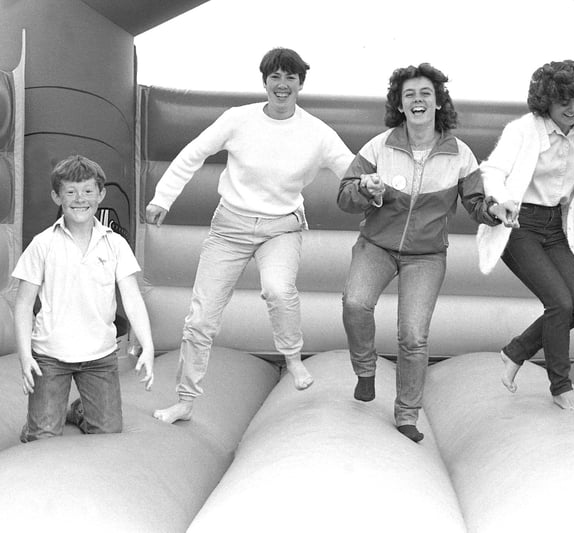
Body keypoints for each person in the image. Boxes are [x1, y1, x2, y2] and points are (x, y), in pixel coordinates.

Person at [147, 48, 353, 423]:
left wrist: (373, 187)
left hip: (282, 227)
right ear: (264, 82)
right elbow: (192, 154)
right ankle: (184, 401)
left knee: (277, 289)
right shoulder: (237, 120)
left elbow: (351, 170)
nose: (282, 85)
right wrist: (163, 198)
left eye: (290, 77)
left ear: (301, 84)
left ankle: (293, 360)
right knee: (201, 316)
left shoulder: (317, 133)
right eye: (275, 77)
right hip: (231, 225)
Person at [338, 63, 496, 442]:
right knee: (355, 303)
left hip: (425, 256)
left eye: (426, 93)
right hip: (377, 245)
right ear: (400, 104)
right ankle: (365, 369)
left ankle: (407, 413)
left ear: (439, 101)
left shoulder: (460, 154)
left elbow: (476, 204)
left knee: (413, 335)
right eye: (409, 94)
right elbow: (344, 196)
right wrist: (364, 188)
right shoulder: (379, 146)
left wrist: (494, 211)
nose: (418, 100)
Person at [477, 60, 574, 411]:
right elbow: (491, 170)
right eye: (565, 101)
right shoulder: (524, 130)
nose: (573, 109)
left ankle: (515, 351)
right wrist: (501, 202)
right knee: (559, 303)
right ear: (546, 101)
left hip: (554, 227)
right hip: (520, 226)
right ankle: (560, 387)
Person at [13, 155, 155, 442]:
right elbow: (24, 303)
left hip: (99, 356)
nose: (80, 199)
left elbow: (132, 297)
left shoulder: (115, 244)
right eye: (71, 192)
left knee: (107, 431)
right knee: (42, 438)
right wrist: (25, 355)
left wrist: (149, 347)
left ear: (100, 194)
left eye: (88, 191)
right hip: (50, 356)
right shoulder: (43, 244)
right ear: (57, 196)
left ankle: (78, 409)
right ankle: (39, 419)